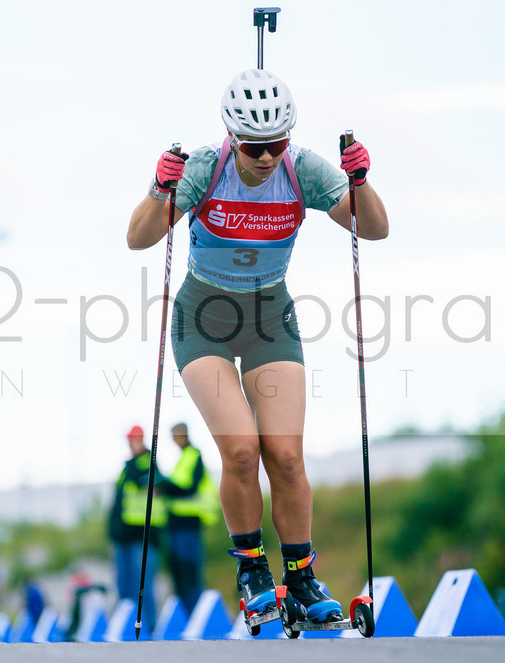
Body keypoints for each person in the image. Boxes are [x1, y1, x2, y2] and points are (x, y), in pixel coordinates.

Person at [127, 69, 388, 622]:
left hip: (270, 315)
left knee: (287, 456)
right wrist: (160, 187)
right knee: (242, 449)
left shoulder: (301, 171)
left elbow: (375, 229)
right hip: (203, 318)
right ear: (232, 136)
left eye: (278, 144)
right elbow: (139, 238)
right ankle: (251, 568)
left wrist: (361, 183)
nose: (267, 157)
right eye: (255, 146)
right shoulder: (205, 169)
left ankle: (303, 578)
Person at [156, 423, 220, 615]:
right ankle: (186, 614)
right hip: (176, 523)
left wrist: (166, 487)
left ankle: (196, 614)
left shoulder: (194, 456)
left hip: (189, 523)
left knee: (189, 571)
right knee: (178, 572)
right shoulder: (183, 458)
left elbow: (189, 488)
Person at [109, 425, 165, 633]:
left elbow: (152, 488)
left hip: (143, 536)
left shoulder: (148, 463)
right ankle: (126, 625)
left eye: (133, 440)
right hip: (123, 536)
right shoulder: (128, 466)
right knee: (124, 583)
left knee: (142, 585)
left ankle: (148, 627)